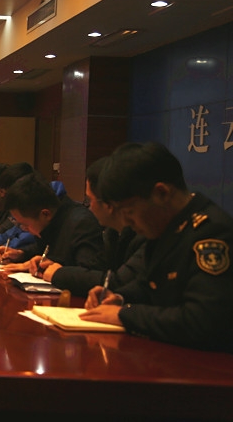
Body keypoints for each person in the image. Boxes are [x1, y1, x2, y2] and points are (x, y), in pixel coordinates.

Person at [82, 142, 233, 352]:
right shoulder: (165, 226)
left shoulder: (211, 234)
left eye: (129, 211)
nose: (126, 222)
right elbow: (149, 283)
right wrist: (119, 298)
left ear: (161, 193)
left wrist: (124, 315)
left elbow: (202, 321)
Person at [37, 157, 146, 296]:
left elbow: (117, 282)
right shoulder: (113, 232)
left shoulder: (144, 234)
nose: (89, 207)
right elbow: (98, 272)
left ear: (109, 204)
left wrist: (59, 273)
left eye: (90, 200)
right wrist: (55, 265)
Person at [1, 171, 105, 274]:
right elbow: (42, 248)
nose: (25, 229)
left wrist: (58, 271)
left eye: (25, 225)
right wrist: (22, 254)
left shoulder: (82, 224)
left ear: (45, 214)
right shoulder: (51, 220)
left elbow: (89, 273)